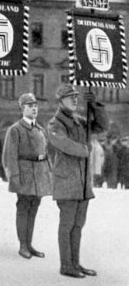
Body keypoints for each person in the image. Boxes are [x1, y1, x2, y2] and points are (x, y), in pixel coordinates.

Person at [48, 84, 107, 278]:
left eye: (75, 96)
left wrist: (95, 105)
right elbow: (63, 143)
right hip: (66, 181)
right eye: (69, 97)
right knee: (67, 225)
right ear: (60, 101)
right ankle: (66, 265)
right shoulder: (55, 123)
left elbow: (101, 126)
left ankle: (75, 262)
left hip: (81, 183)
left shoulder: (80, 121)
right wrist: (84, 150)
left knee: (78, 225)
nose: (74, 99)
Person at [2, 93, 52, 260]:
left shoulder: (40, 129)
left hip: (39, 173)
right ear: (22, 108)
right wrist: (14, 177)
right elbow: (9, 156)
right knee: (23, 208)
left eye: (35, 105)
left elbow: (46, 153)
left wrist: (48, 173)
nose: (34, 108)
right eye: (30, 106)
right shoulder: (15, 129)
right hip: (24, 173)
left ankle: (29, 244)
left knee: (34, 208)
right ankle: (23, 245)